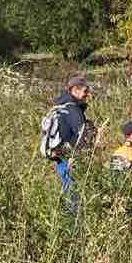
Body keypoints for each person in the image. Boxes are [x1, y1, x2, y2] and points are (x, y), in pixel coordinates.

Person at [44, 74, 94, 216]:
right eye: (85, 91)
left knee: (68, 192)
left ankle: (68, 224)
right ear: (74, 90)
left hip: (61, 158)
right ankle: (74, 231)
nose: (87, 95)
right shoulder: (72, 110)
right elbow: (83, 136)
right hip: (71, 159)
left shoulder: (59, 107)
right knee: (74, 197)